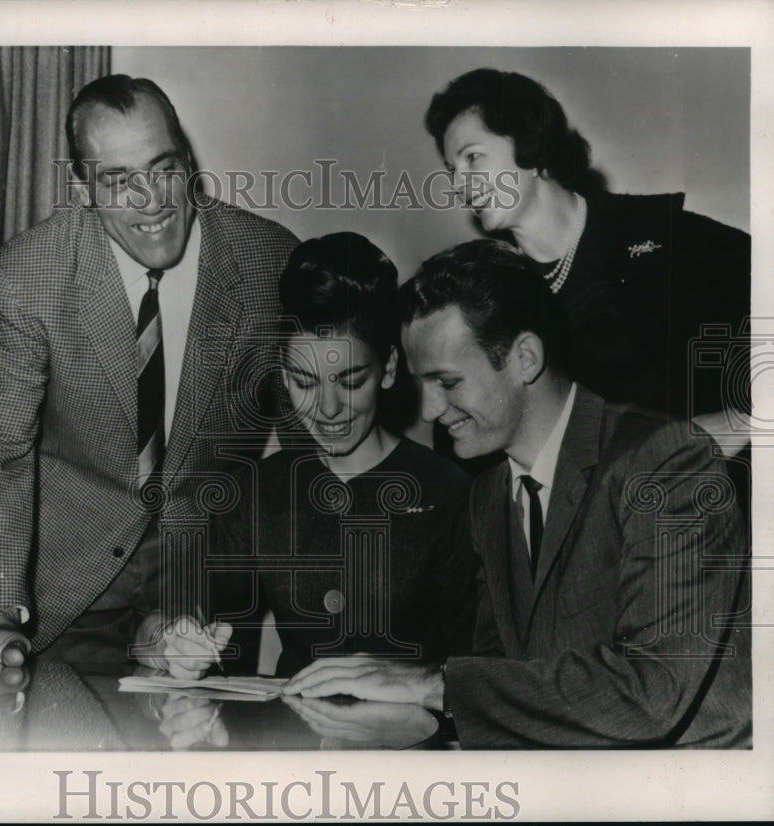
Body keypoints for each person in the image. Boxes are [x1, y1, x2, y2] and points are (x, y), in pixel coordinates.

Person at [283, 239, 752, 749]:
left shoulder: (665, 463)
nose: (431, 410)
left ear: (525, 358)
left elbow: (652, 691)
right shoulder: (488, 498)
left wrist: (431, 683)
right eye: (423, 385)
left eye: (447, 382)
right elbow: (503, 683)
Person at [0, 74, 298, 666]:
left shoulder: (268, 260)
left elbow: (309, 448)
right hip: (66, 590)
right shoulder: (28, 276)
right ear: (83, 186)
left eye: (164, 167)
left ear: (188, 161)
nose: (151, 200)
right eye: (119, 181)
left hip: (203, 593)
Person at [146, 233, 475, 679]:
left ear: (390, 368)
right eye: (304, 381)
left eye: (351, 380)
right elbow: (177, 611)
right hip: (293, 738)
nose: (328, 409)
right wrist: (176, 641)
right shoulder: (259, 489)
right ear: (283, 375)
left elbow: (479, 662)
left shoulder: (450, 492)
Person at [424, 68, 751, 458]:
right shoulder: (496, 296)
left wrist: (741, 422)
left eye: (473, 158)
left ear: (530, 146)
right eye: (452, 171)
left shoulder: (659, 232)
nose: (460, 185)